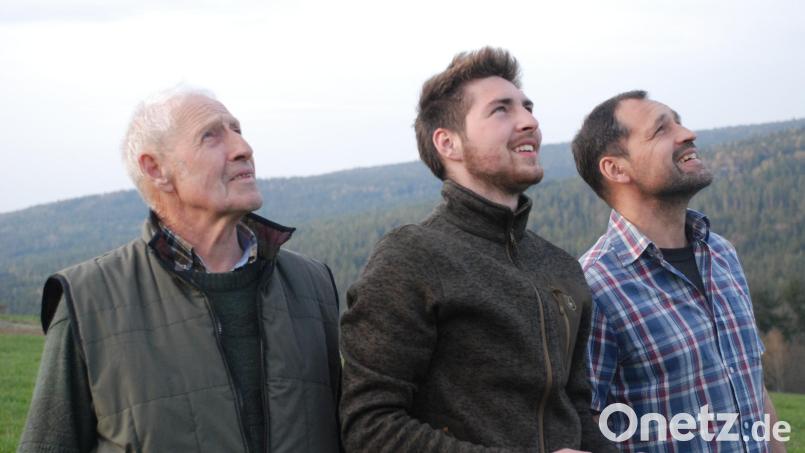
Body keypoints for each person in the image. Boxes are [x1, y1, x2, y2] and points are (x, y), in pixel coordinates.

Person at [18, 88, 342, 453]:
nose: (243, 147)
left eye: (237, 130)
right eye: (211, 135)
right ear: (156, 169)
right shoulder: (88, 301)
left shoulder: (313, 286)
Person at [339, 47, 613, 453]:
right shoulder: (412, 257)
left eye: (528, 107)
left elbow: (574, 408)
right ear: (448, 143)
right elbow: (370, 427)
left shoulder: (560, 267)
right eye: (501, 110)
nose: (530, 122)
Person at [572, 90, 784, 452]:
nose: (687, 134)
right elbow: (583, 426)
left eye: (679, 122)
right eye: (661, 130)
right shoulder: (594, 286)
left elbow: (751, 382)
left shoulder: (722, 254)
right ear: (616, 168)